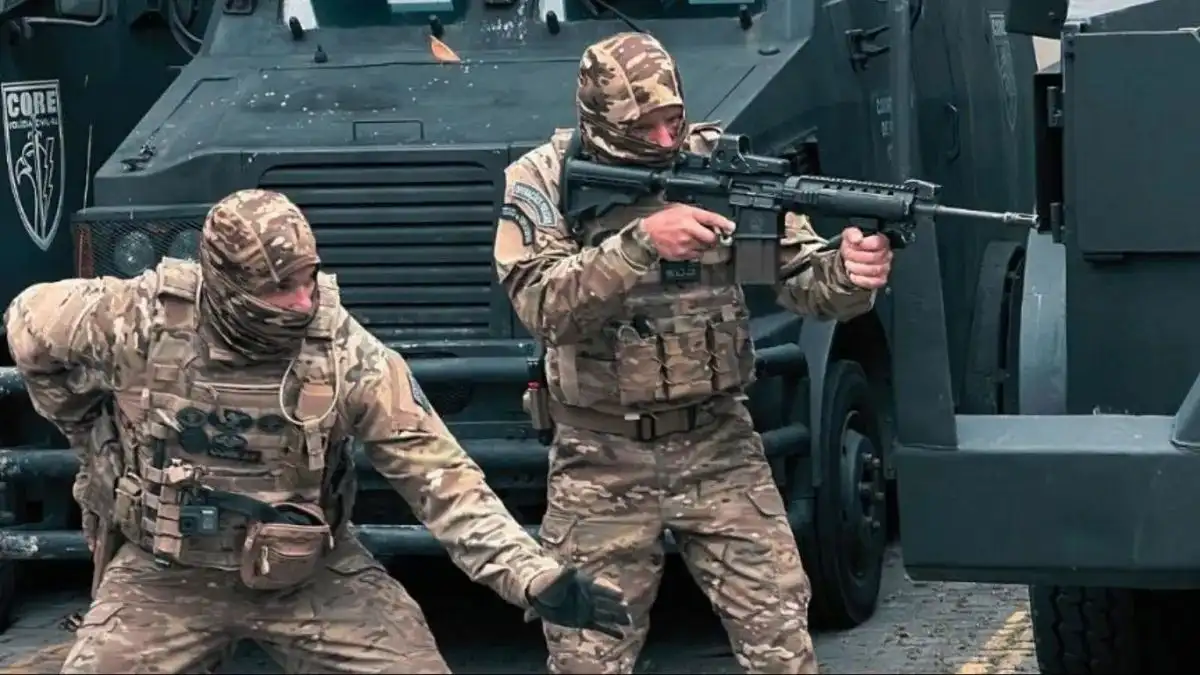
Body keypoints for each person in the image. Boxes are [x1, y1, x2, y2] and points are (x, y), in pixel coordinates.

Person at [3, 188, 631, 674]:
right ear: (223, 287)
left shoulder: (341, 352)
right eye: (279, 289)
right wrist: (90, 434)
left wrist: (529, 575)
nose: (303, 302)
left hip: (313, 574)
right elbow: (27, 327)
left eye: (308, 278)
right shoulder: (135, 319)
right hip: (167, 575)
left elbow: (440, 474)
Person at [492, 32, 893, 675]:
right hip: (600, 458)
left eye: (670, 120)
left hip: (719, 445)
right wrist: (642, 241)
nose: (660, 140)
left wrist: (849, 273)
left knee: (781, 640)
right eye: (640, 127)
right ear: (595, 121)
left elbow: (793, 278)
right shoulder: (542, 179)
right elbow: (540, 303)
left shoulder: (716, 168)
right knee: (587, 655)